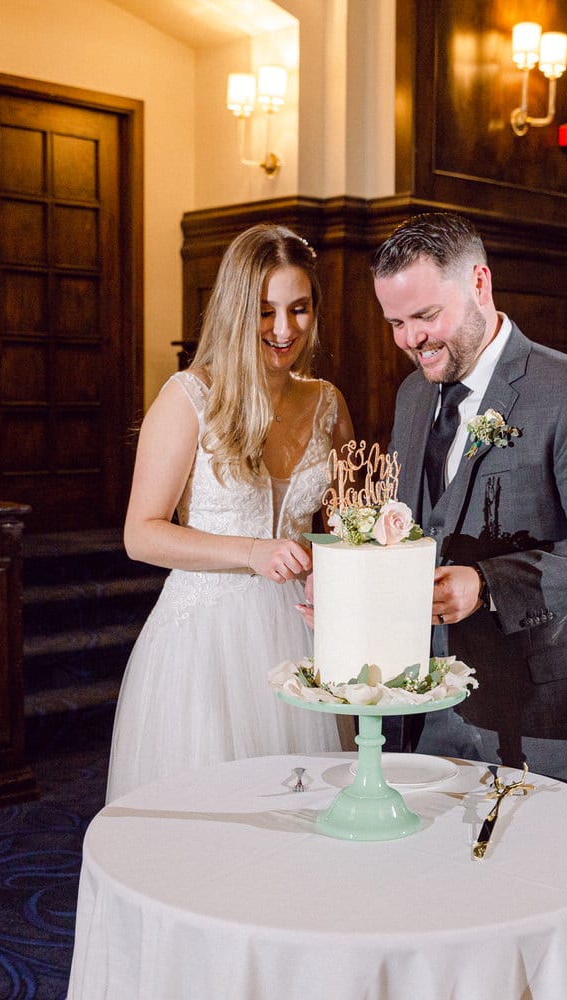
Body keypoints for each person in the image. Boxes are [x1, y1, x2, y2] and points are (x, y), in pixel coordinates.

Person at [370, 211, 567, 804]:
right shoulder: (411, 396)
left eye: (426, 316)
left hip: (556, 708)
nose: (411, 340)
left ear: (479, 283)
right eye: (396, 322)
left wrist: (486, 583)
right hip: (436, 708)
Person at [105, 224, 353, 803]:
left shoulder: (328, 404)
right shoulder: (189, 397)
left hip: (303, 634)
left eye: (299, 309)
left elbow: (345, 530)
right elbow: (140, 536)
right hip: (206, 642)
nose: (284, 329)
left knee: (307, 815)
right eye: (265, 311)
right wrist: (251, 552)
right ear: (237, 310)